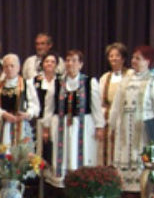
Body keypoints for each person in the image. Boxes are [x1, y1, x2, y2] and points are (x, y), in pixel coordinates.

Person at [109, 45, 154, 198]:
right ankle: (128, 197)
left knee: (144, 161)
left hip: (145, 127)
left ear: (148, 61)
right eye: (133, 58)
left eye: (138, 58)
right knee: (126, 159)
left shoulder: (153, 80)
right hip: (126, 127)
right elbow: (117, 105)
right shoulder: (126, 79)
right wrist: (112, 125)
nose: (134, 61)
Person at [41, 49, 105, 188]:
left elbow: (96, 106)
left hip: (83, 125)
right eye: (68, 60)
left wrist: (99, 125)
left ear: (80, 64)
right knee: (63, 156)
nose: (70, 64)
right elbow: (49, 106)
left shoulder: (89, 82)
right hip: (61, 125)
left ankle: (81, 187)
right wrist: (46, 126)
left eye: (74, 60)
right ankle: (63, 189)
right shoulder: (57, 83)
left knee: (80, 156)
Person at [0, 53, 40, 147]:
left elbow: (35, 105)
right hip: (2, 124)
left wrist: (27, 114)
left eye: (12, 66)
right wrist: (3, 114)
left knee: (20, 153)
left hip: (21, 124)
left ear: (18, 68)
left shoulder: (27, 85)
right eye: (6, 66)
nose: (9, 69)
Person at [98, 42, 132, 166]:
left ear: (123, 58)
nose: (113, 58)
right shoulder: (105, 78)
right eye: (111, 56)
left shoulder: (130, 75)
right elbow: (99, 101)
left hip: (125, 118)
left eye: (117, 55)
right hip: (108, 119)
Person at [33, 53, 59, 167]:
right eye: (47, 61)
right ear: (42, 64)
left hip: (55, 119)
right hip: (39, 118)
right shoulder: (36, 81)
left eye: (52, 62)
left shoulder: (60, 80)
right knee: (40, 147)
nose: (49, 64)